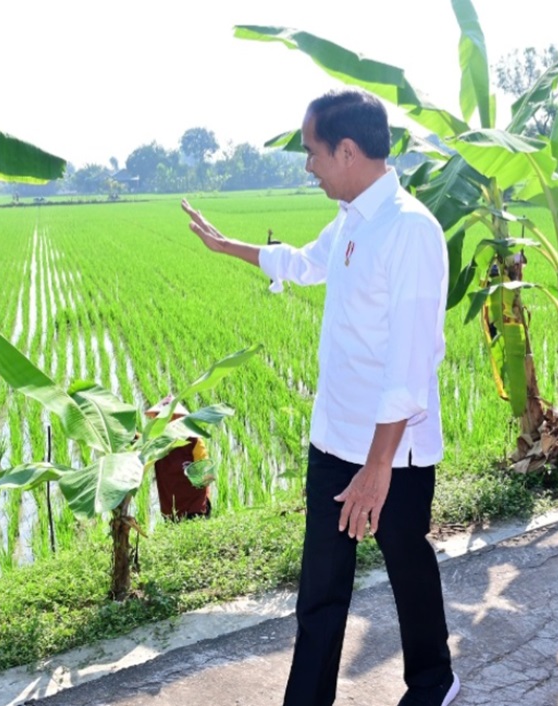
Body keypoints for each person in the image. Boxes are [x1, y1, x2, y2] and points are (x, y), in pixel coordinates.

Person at [183, 89, 457, 706]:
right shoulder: (353, 219)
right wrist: (230, 247)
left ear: (348, 150)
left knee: (407, 568)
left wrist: (377, 467)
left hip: (393, 455)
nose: (308, 166)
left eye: (312, 153)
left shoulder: (410, 231)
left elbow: (409, 366)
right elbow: (306, 263)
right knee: (322, 587)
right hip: (336, 438)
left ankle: (434, 682)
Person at [145, 396, 212, 520]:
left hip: (195, 508)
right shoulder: (155, 444)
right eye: (157, 417)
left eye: (163, 417)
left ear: (177, 418)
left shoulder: (194, 442)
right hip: (171, 511)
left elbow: (207, 477)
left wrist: (196, 473)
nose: (157, 420)